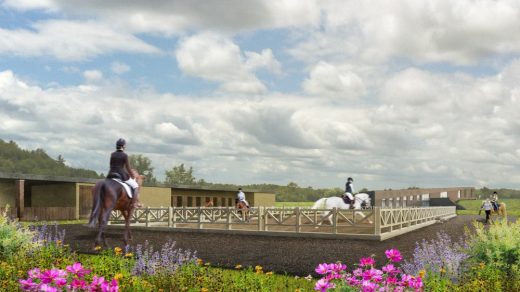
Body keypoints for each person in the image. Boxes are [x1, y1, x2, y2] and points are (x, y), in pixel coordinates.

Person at [107, 138, 141, 208]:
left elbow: (110, 165)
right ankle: (134, 204)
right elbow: (128, 167)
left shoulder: (112, 154)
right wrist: (132, 175)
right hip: (121, 175)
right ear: (124, 146)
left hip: (111, 174)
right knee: (135, 186)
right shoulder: (124, 155)